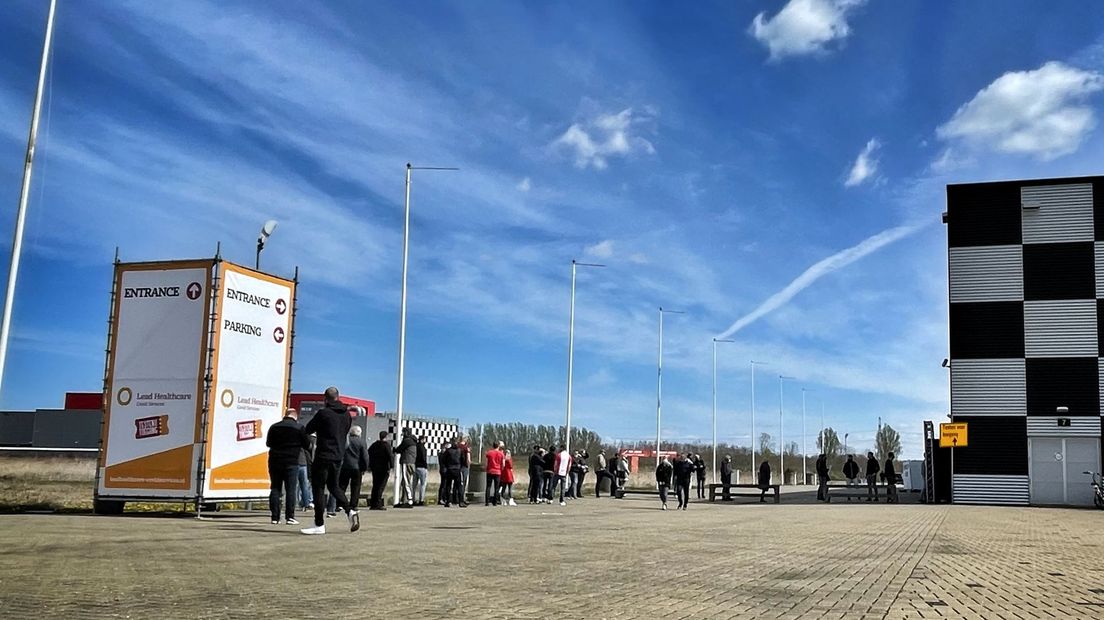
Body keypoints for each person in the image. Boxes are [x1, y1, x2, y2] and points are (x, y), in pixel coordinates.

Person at [301, 387, 357, 535]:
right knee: (334, 486)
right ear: (338, 397)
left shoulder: (323, 413)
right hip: (338, 456)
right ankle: (350, 510)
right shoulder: (346, 415)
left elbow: (308, 429)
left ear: (325, 399)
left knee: (318, 488)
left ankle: (319, 524)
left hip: (323, 455)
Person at [266, 408, 309, 525]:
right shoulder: (300, 428)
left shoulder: (274, 427)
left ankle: (275, 517)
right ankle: (290, 517)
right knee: (291, 489)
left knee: (275, 488)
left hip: (275, 460)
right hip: (292, 461)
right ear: (295, 416)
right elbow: (307, 444)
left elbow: (268, 443)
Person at [328, 425, 368, 514]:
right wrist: (364, 467)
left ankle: (340, 504)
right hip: (357, 468)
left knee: (341, 486)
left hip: (344, 466)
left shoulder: (345, 440)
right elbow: (365, 456)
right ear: (359, 434)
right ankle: (353, 505)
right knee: (356, 488)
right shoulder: (361, 442)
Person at [367, 430, 393, 511]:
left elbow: (368, 454)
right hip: (384, 468)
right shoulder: (386, 445)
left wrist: (370, 465)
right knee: (381, 486)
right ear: (386, 437)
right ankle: (377, 503)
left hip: (375, 468)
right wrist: (392, 466)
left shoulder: (374, 445)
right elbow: (390, 456)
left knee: (375, 486)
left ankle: (373, 503)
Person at [393, 427, 417, 508]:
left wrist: (394, 449)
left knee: (406, 482)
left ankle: (409, 500)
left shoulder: (407, 441)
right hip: (411, 463)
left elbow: (399, 449)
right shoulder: (413, 441)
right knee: (405, 482)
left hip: (406, 462)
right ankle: (403, 500)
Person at [440, 439, 464, 507]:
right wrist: (460, 467)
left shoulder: (448, 451)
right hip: (457, 469)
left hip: (450, 469)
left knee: (448, 486)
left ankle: (448, 501)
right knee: (459, 486)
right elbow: (462, 460)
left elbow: (443, 460)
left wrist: (447, 466)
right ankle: (460, 501)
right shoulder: (460, 451)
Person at [297, 433, 315, 512]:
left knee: (301, 485)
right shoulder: (311, 440)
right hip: (306, 463)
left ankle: (302, 502)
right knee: (305, 484)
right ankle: (307, 502)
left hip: (302, 462)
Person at [485, 440, 505, 506]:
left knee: (488, 486)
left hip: (490, 471)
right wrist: (501, 469)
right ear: (498, 446)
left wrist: (486, 468)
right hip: (497, 471)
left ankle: (487, 502)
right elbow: (503, 464)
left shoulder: (489, 453)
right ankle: (495, 502)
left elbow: (486, 462)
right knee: (496, 487)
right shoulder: (501, 454)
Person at [414, 435, 429, 507]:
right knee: (423, 484)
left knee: (414, 484)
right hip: (422, 467)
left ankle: (413, 499)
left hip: (415, 466)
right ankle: (421, 500)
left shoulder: (415, 446)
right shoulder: (422, 447)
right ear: (423, 439)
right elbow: (423, 457)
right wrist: (426, 465)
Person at [458, 437, 472, 503]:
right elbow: (468, 459)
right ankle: (462, 499)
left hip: (457, 466)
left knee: (457, 483)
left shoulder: (457, 446)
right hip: (464, 466)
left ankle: (456, 498)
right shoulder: (466, 448)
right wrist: (469, 464)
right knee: (463, 482)